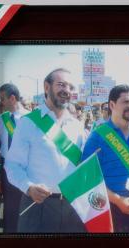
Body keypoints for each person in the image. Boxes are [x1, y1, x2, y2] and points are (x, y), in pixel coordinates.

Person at [5, 68, 86, 233]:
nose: (66, 90)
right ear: (47, 87)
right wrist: (28, 187)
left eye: (70, 87)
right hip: (38, 206)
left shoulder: (77, 126)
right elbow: (12, 165)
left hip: (72, 208)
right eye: (61, 85)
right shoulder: (28, 123)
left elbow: (83, 165)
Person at [82, 85, 129, 232]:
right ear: (112, 105)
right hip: (110, 210)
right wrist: (117, 200)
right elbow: (87, 176)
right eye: (126, 102)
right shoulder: (98, 136)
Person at [0, 83, 29, 233]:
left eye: (3, 99)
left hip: (25, 170)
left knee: (25, 208)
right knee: (9, 208)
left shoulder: (30, 118)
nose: (1, 102)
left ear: (13, 98)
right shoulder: (2, 119)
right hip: (6, 169)